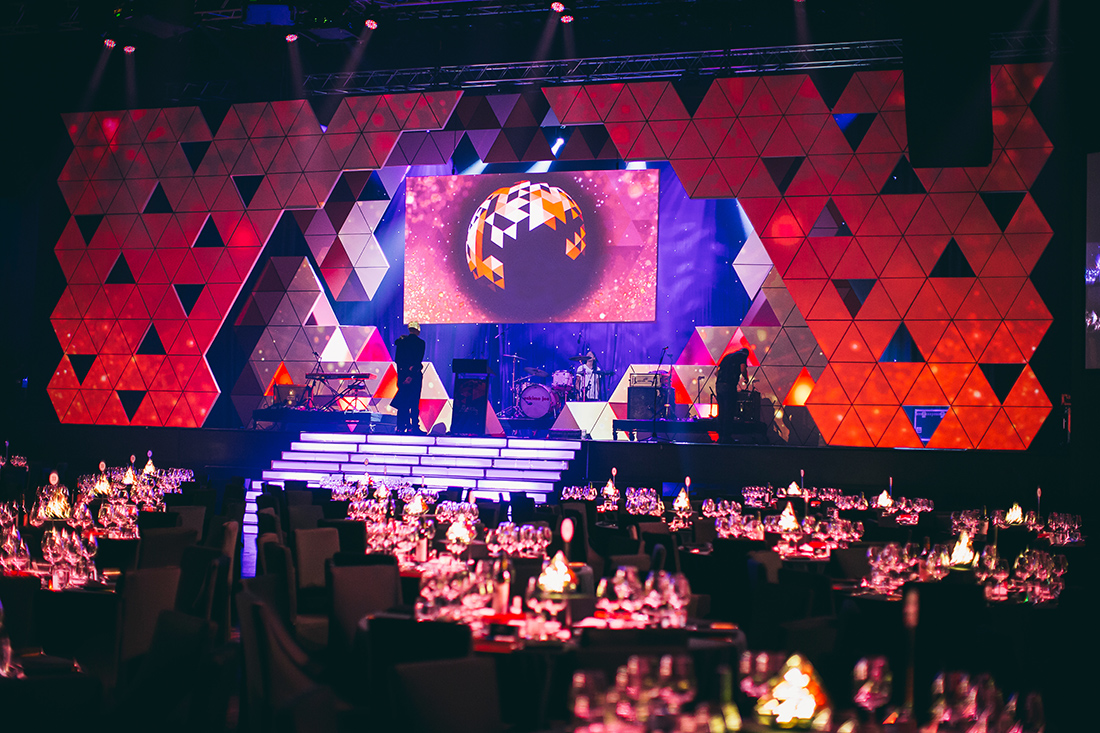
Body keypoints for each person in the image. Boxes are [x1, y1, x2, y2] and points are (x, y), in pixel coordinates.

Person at [392, 322, 426, 434]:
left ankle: (401, 426)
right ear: (418, 330)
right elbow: (418, 361)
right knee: (414, 402)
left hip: (402, 375)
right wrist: (411, 375)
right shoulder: (421, 343)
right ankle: (414, 427)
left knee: (403, 402)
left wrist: (404, 375)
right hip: (415, 376)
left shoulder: (401, 342)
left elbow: (398, 360)